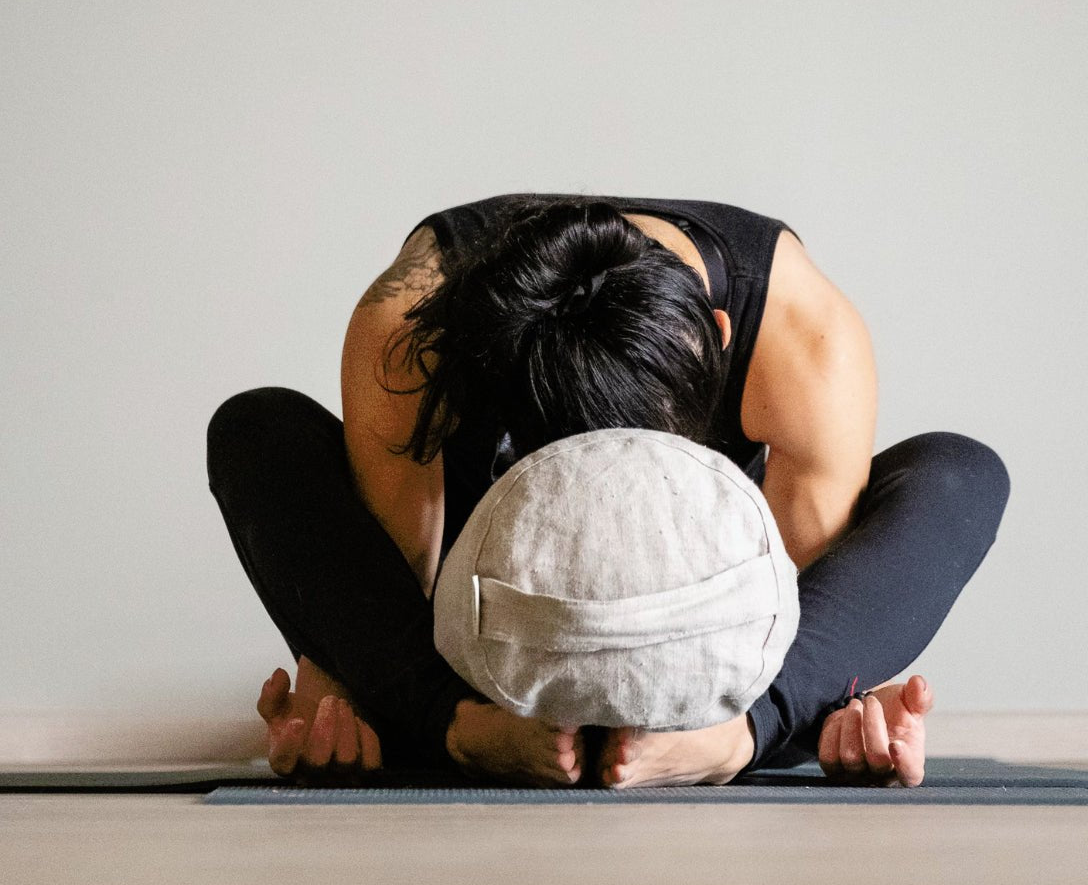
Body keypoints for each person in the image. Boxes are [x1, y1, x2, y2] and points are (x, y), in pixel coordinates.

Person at [207, 192, 1010, 788]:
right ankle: (465, 734)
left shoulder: (802, 335)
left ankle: (734, 744)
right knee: (257, 429)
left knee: (961, 472)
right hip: (494, 626)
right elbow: (398, 602)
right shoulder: (413, 328)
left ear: (716, 339)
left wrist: (789, 712)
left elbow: (782, 619)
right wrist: (395, 700)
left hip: (706, 620)